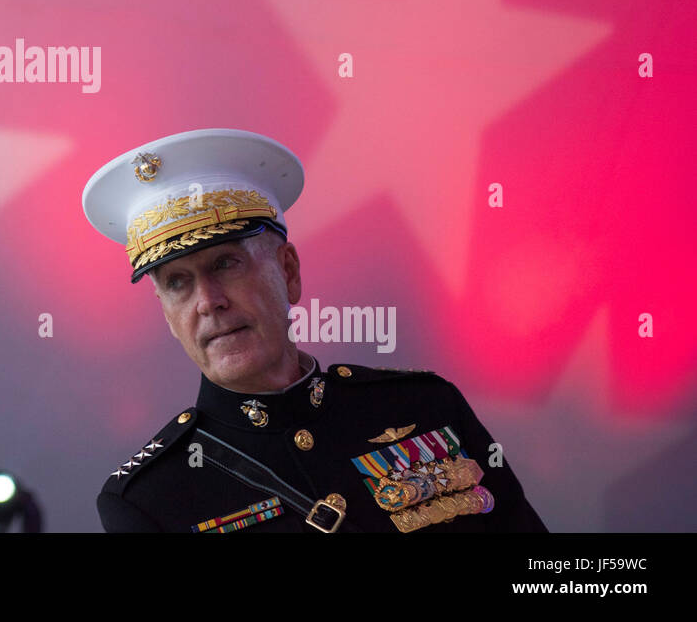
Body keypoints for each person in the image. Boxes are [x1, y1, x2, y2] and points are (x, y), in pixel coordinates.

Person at [81, 128, 548, 534]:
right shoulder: (149, 499)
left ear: (288, 273)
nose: (208, 301)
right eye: (178, 284)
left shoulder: (425, 405)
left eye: (226, 263)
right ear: (167, 315)